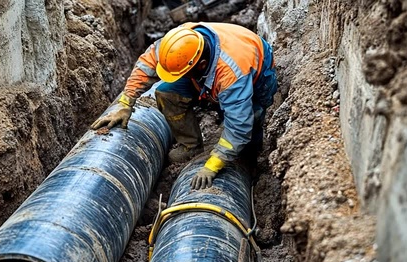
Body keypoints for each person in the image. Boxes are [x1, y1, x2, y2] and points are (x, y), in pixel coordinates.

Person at [91, 22, 278, 189]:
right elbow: (146, 65)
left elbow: (239, 125)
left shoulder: (232, 74)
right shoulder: (178, 43)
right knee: (167, 92)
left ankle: (247, 163)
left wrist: (213, 165)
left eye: (183, 73)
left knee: (250, 121)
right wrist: (125, 103)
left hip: (257, 77)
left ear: (201, 65)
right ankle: (191, 146)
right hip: (214, 74)